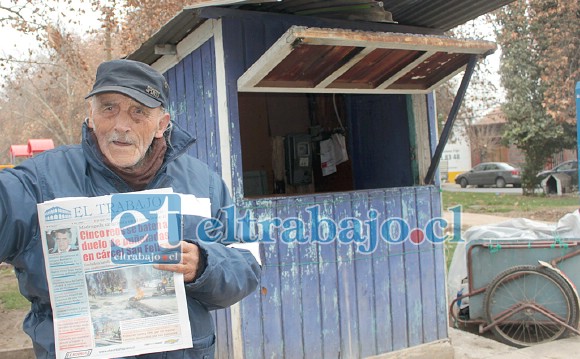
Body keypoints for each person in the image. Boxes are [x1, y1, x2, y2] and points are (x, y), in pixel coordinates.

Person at [0, 59, 261, 358]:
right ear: (91, 116)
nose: (121, 125)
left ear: (162, 124)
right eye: (109, 108)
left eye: (139, 111)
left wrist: (203, 264)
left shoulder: (206, 184)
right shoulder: (40, 180)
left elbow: (248, 264)